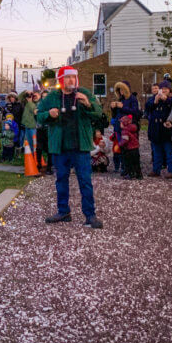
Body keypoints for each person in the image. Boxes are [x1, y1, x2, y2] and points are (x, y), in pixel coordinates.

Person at [37, 66, 103, 229]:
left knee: (85, 181)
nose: (71, 80)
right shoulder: (52, 96)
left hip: (80, 146)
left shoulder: (84, 93)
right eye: (68, 77)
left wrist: (88, 104)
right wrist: (48, 114)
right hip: (60, 147)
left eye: (74, 77)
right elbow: (38, 115)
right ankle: (63, 211)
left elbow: (99, 113)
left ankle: (90, 215)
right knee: (61, 180)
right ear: (61, 80)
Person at [145, 80, 172, 178]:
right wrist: (155, 101)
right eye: (161, 89)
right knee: (156, 151)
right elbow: (147, 109)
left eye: (165, 89)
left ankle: (171, 171)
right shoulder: (152, 99)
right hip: (155, 129)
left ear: (169, 90)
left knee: (169, 152)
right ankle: (156, 170)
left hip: (166, 130)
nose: (163, 91)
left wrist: (166, 100)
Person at [118, 114, 142, 179]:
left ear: (124, 123)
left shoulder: (124, 131)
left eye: (121, 123)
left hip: (129, 149)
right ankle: (139, 174)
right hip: (135, 148)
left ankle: (131, 174)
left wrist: (119, 144)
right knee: (136, 162)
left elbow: (125, 140)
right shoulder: (133, 128)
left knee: (129, 162)